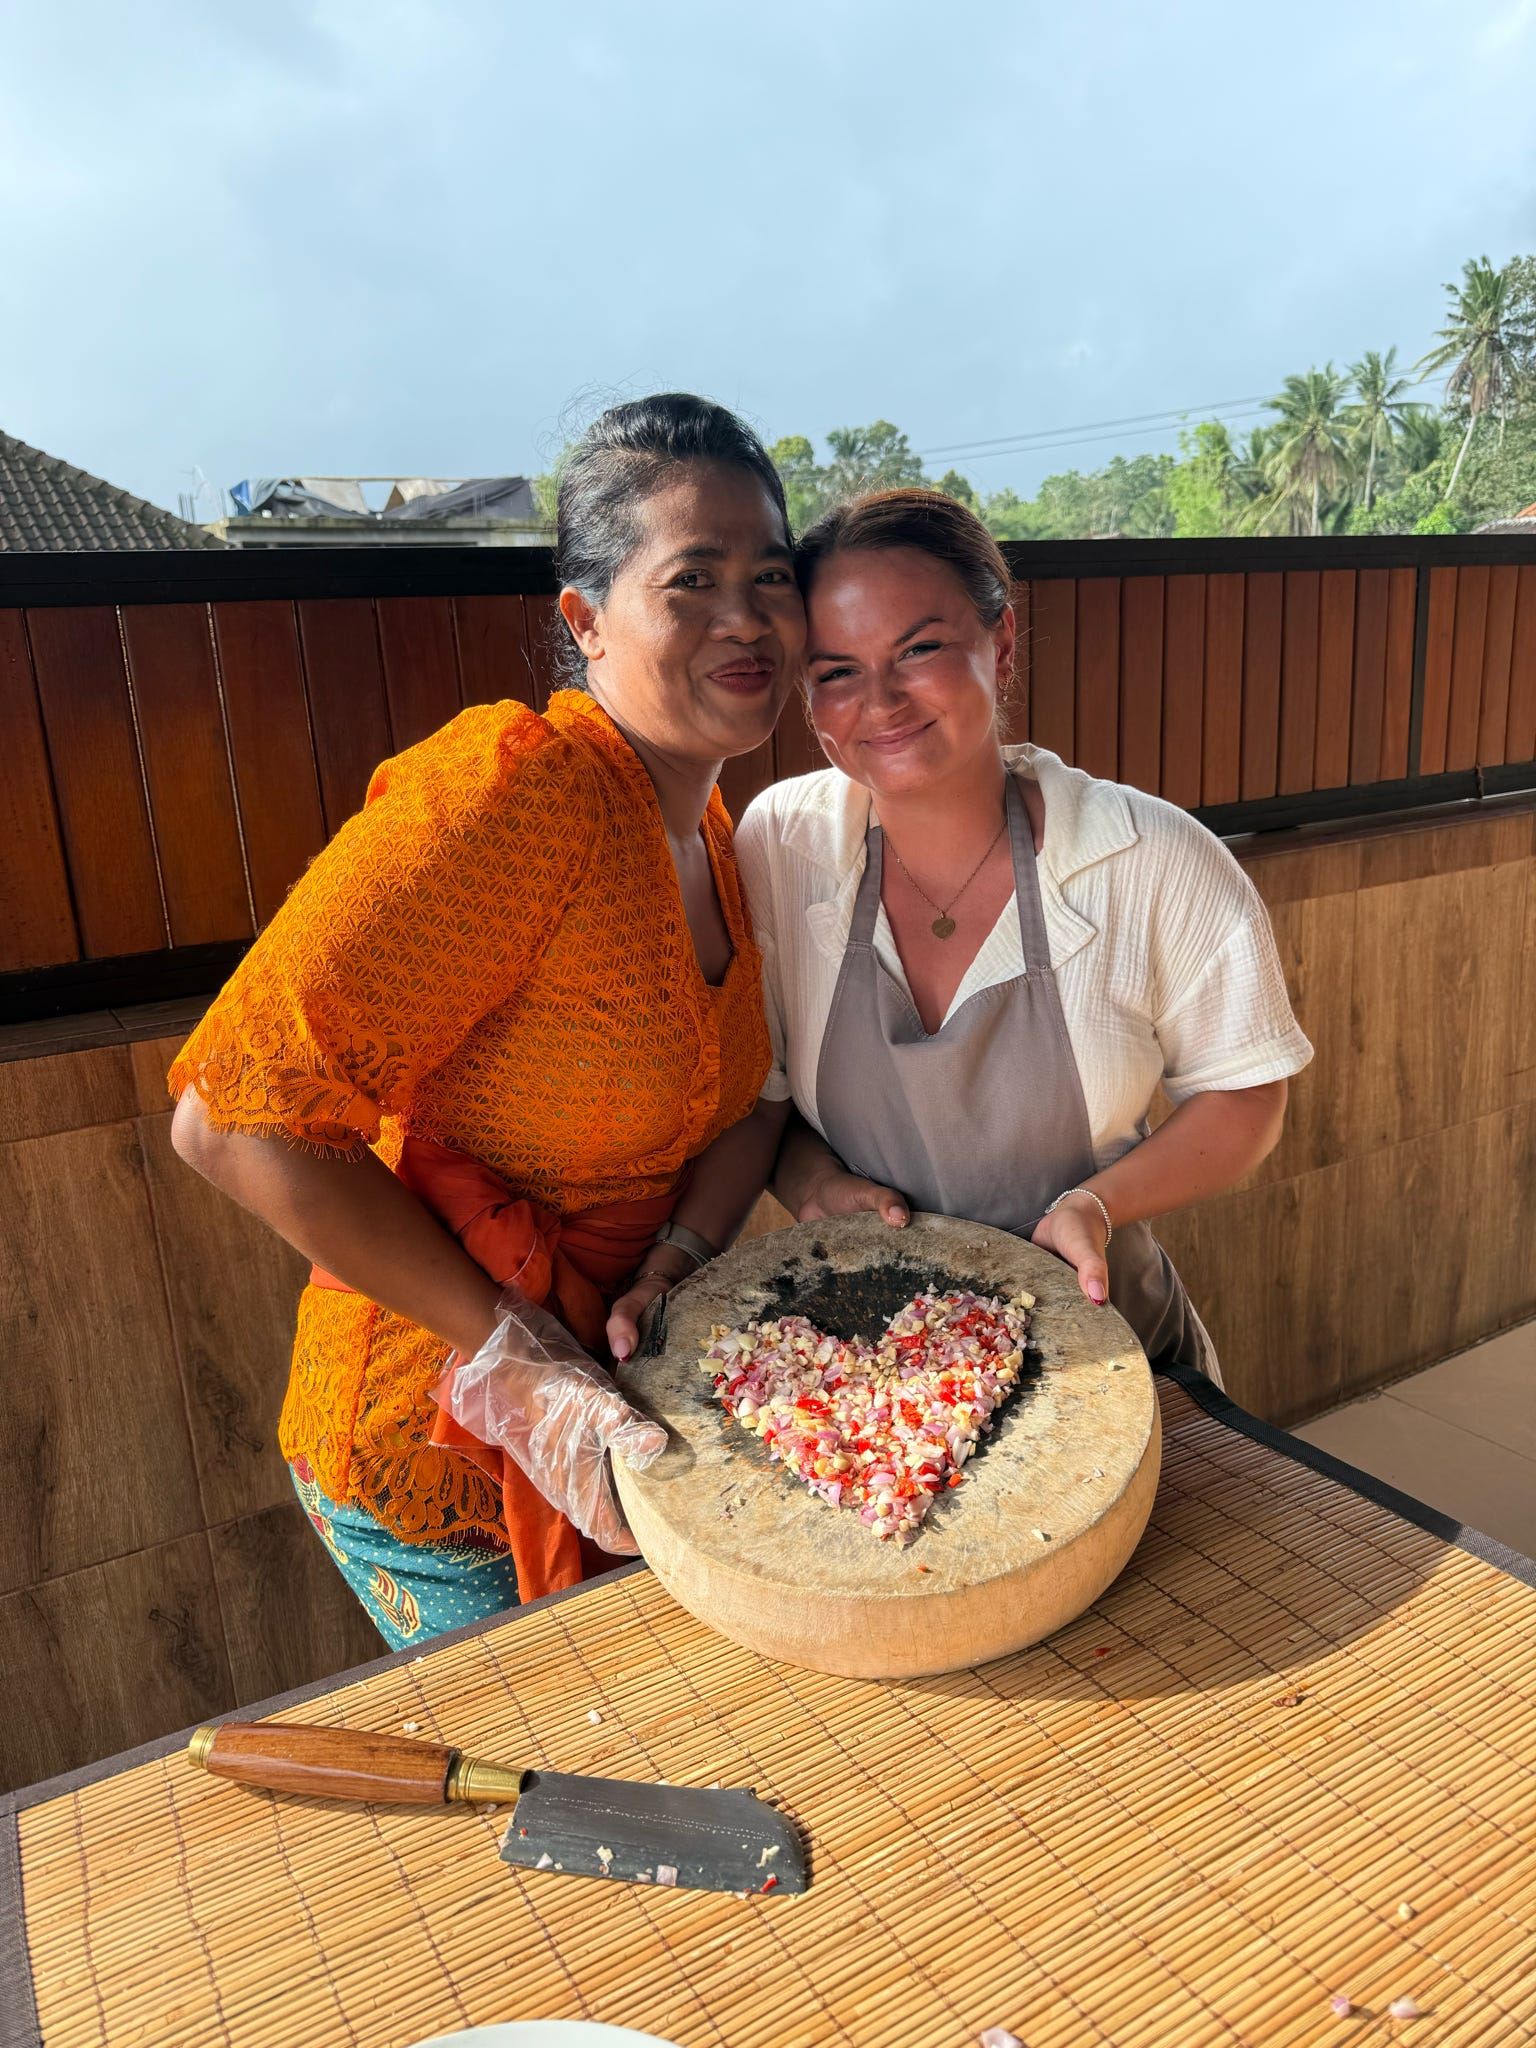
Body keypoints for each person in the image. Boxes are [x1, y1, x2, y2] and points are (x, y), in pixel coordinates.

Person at [169, 393, 805, 1647]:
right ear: (585, 621)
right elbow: (232, 1119)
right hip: (434, 1435)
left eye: (773, 575)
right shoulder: (520, 795)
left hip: (618, 1405)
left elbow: (747, 1109)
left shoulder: (717, 834)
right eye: (693, 579)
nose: (747, 616)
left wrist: (672, 1258)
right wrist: (520, 1357)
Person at [733, 489, 1314, 1380]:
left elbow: (1248, 1092)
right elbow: (760, 1090)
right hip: (877, 1379)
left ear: (1000, 646)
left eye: (920, 649)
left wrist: (1097, 1203)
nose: (879, 701)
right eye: (836, 671)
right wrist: (810, 1183)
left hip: (1111, 1361)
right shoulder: (785, 845)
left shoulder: (1147, 856)